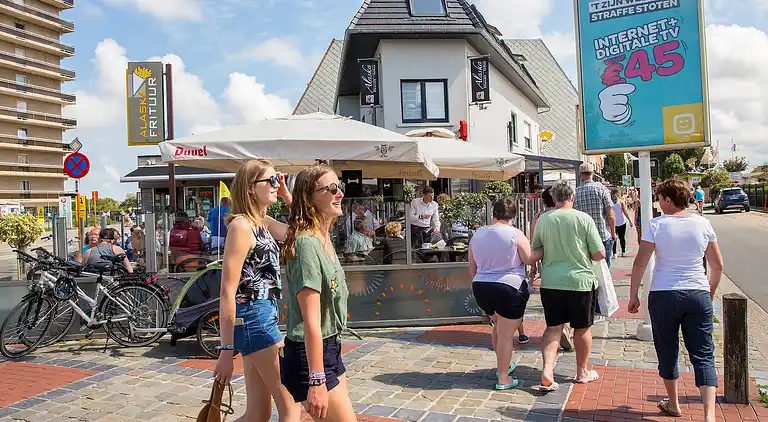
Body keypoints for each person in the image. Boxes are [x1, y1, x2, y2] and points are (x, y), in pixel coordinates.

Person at [628, 179, 724, 421]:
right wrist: (709, 292)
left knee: (667, 349)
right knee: (703, 353)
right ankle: (709, 415)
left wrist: (634, 295)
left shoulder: (656, 225)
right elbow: (717, 265)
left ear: (668, 200)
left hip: (664, 293)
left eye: (660, 199)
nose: (659, 203)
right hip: (697, 293)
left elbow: (640, 262)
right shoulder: (703, 223)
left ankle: (674, 403)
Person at [212, 160, 299, 422]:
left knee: (257, 414)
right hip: (254, 316)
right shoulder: (241, 227)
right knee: (291, 405)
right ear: (251, 188)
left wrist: (287, 197)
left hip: (263, 315)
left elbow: (302, 233)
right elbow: (228, 291)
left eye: (278, 179)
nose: (277, 184)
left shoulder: (263, 222)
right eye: (271, 180)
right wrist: (226, 351)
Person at [281, 165, 355, 422]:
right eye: (331, 189)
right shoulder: (306, 245)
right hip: (310, 354)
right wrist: (316, 380)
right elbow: (310, 320)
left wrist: (285, 197)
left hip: (330, 347)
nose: (340, 194)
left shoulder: (323, 236)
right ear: (311, 198)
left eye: (339, 187)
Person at [532, 180, 606, 391]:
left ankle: (547, 371)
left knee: (553, 328)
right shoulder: (583, 219)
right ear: (572, 197)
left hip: (551, 282)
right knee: (582, 328)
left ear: (554, 198)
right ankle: (581, 372)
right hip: (580, 282)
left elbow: (537, 248)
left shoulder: (543, 220)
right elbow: (599, 253)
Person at [469, 198, 537, 390]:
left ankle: (504, 364)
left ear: (494, 213)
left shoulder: (477, 234)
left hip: (481, 286)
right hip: (509, 286)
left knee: (498, 327)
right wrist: (539, 252)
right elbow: (528, 258)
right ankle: (503, 377)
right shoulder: (515, 234)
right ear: (513, 216)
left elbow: (472, 268)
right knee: (506, 334)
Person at [528, 188, 572, 351]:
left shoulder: (538, 218)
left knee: (554, 298)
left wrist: (533, 266)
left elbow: (534, 243)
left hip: (547, 264)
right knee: (569, 296)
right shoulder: (567, 215)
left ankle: (558, 327)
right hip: (568, 262)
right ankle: (566, 326)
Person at [574, 163, 616, 268]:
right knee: (604, 270)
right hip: (602, 235)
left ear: (580, 175)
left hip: (583, 238)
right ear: (592, 174)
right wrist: (613, 233)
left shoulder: (575, 192)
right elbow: (610, 214)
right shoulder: (601, 189)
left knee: (588, 269)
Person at [611, 188, 634, 257]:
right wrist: (630, 220)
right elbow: (625, 212)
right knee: (622, 238)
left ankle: (614, 253)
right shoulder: (621, 201)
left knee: (614, 238)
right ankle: (623, 251)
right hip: (622, 222)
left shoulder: (610, 202)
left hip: (613, 223)